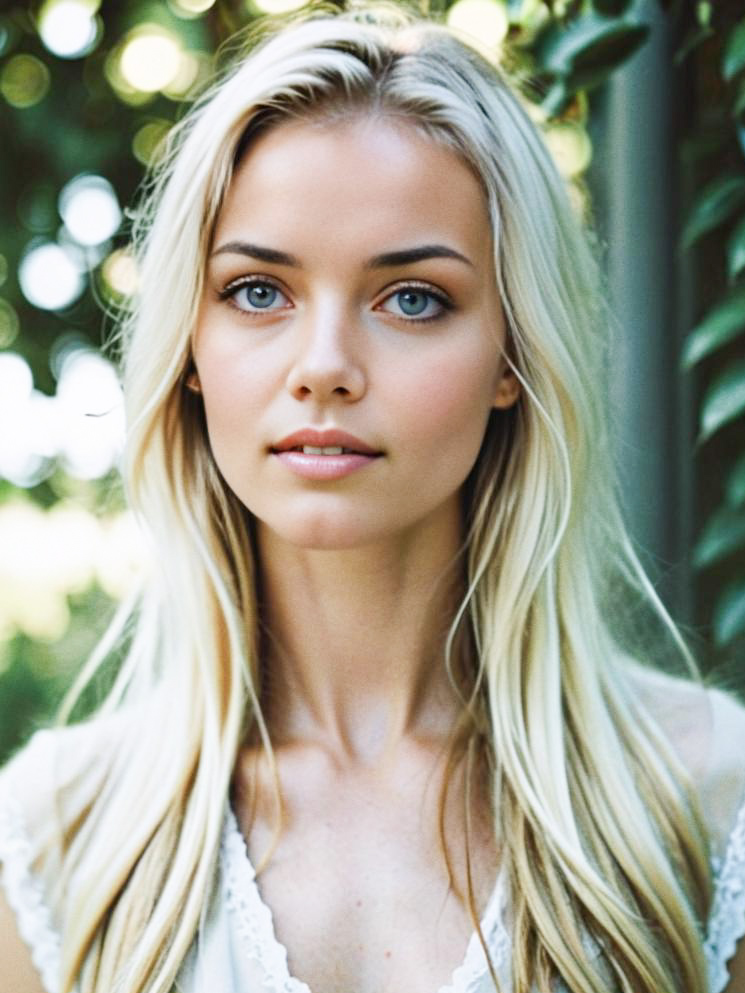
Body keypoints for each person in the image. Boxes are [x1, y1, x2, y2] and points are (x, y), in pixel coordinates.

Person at [2, 4, 745, 992]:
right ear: (190, 347)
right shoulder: (55, 839)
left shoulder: (706, 800)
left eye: (413, 298)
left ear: (512, 355)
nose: (323, 368)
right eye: (258, 291)